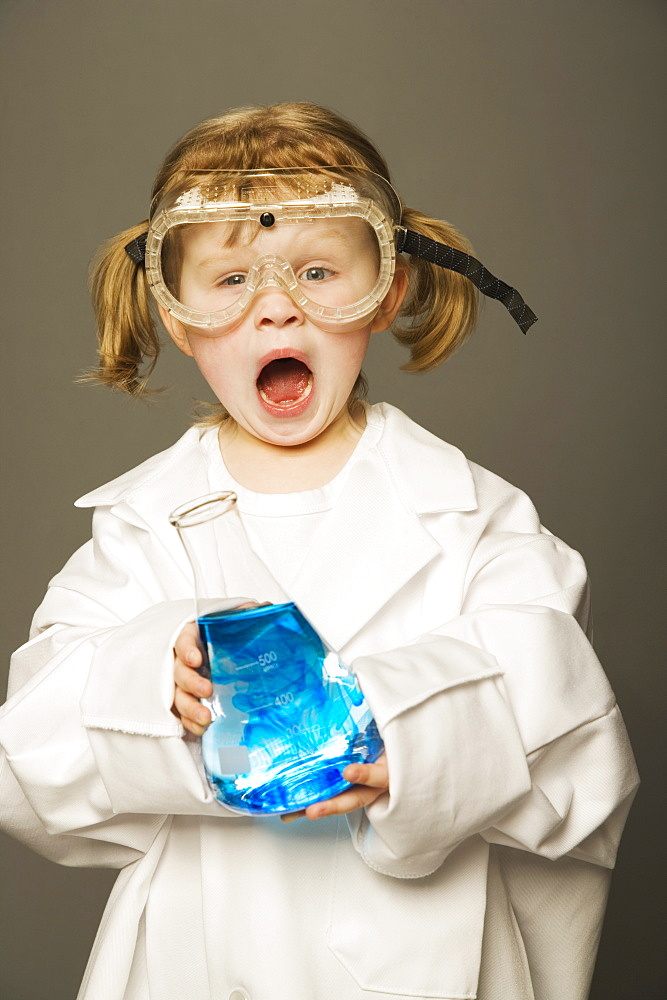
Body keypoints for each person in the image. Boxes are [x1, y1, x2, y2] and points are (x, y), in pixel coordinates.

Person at [0, 102, 638, 1000]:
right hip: (200, 953)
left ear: (386, 291)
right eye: (228, 282)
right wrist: (149, 679)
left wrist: (416, 735)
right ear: (176, 318)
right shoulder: (142, 525)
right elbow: (29, 750)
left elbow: (566, 723)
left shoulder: (473, 515)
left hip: (432, 956)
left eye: (314, 272)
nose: (274, 312)